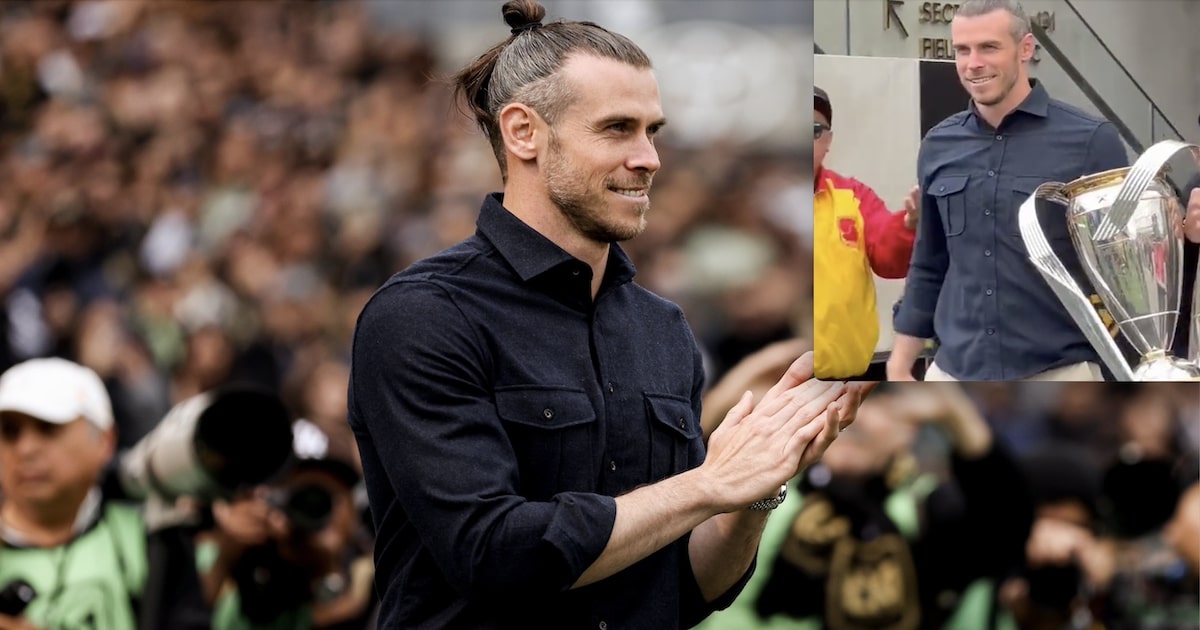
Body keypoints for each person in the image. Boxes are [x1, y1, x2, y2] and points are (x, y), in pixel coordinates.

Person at [346, 1, 871, 627]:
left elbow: (686, 589)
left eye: (654, 131)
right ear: (523, 133)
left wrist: (758, 487)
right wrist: (708, 484)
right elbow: (491, 552)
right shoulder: (424, 317)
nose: (649, 157)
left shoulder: (663, 329)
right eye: (618, 128)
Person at [887, 0, 1130, 382]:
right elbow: (930, 258)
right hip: (953, 372)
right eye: (962, 50)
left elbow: (1125, 266)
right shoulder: (939, 144)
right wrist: (900, 360)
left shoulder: (1092, 142)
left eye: (989, 47)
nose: (973, 63)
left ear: (1026, 49)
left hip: (1059, 375)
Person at [698, 382, 1033, 629]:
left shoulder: (923, 507)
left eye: (872, 401)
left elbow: (1006, 528)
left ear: (908, 431)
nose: (851, 415)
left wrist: (957, 416)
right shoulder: (771, 486)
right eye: (839, 398)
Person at [0, 358, 150, 630]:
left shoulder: (148, 538)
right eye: (9, 431)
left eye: (48, 427)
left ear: (105, 440)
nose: (26, 449)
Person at [812, 85, 920, 381]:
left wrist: (910, 224)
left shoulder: (853, 195)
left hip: (846, 380)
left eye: (814, 130)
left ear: (828, 141)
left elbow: (888, 259)